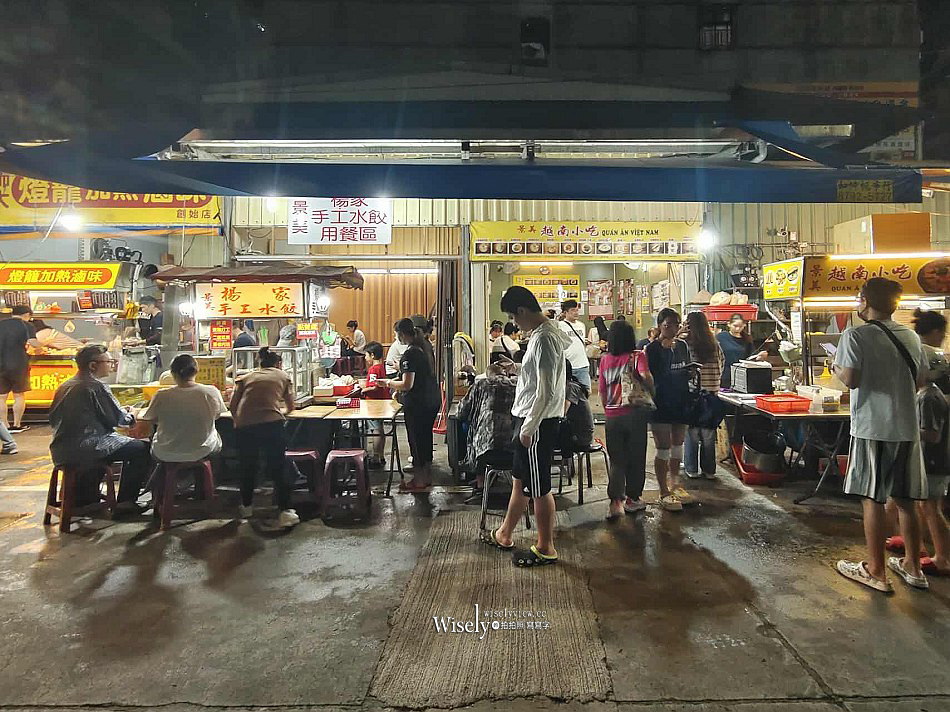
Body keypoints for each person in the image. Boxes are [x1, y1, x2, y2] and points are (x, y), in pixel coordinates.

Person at [833, 277, 930, 593]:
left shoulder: (855, 335)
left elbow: (850, 380)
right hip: (906, 428)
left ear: (864, 301)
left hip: (873, 427)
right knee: (906, 500)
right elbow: (921, 379)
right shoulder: (912, 337)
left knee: (872, 499)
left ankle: (876, 571)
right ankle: (913, 567)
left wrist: (835, 367)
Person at [481, 286, 568, 568]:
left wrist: (529, 428)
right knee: (520, 480)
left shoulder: (544, 339)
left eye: (513, 316)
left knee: (539, 487)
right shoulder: (543, 335)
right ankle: (505, 533)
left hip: (537, 423)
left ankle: (545, 547)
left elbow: (546, 392)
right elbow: (538, 378)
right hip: (531, 419)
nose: (513, 323)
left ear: (521, 311)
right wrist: (517, 369)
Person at [884, 309, 950, 576]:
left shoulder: (930, 397)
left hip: (934, 458)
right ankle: (915, 544)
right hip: (923, 455)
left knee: (929, 506)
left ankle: (943, 558)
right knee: (905, 500)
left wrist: (905, 429)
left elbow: (932, 434)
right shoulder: (925, 392)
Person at [48, 345, 150, 515]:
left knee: (125, 447)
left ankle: (85, 498)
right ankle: (126, 502)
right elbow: (117, 419)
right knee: (142, 449)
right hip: (89, 446)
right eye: (108, 361)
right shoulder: (95, 386)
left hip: (61, 449)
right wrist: (131, 414)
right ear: (93, 366)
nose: (111, 365)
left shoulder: (65, 385)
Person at [229, 346, 298, 527]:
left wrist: (238, 421)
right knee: (278, 466)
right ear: (278, 363)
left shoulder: (246, 377)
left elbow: (232, 405)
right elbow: (291, 406)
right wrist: (279, 411)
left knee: (247, 466)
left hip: (245, 426)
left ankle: (246, 506)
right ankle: (285, 511)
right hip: (271, 424)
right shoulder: (283, 376)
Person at [599, 320, 653, 519]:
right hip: (634, 413)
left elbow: (603, 390)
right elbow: (646, 377)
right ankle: (632, 499)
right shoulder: (637, 356)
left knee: (617, 460)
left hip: (612, 415)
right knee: (636, 457)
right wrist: (650, 388)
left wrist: (608, 410)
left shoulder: (605, 360)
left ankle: (615, 503)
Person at [380, 318, 441, 491]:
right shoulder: (425, 346)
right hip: (432, 399)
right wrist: (402, 368)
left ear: (401, 334)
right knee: (425, 438)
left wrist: (388, 383)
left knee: (416, 440)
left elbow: (407, 385)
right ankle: (426, 477)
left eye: (396, 333)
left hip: (418, 403)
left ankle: (419, 481)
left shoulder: (410, 353)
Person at [646, 308, 695, 511]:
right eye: (667, 325)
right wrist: (666, 350)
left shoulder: (683, 346)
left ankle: (675, 484)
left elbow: (684, 369)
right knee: (663, 447)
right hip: (661, 403)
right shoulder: (652, 349)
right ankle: (663, 490)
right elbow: (654, 376)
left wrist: (691, 372)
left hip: (681, 400)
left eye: (676, 324)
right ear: (659, 326)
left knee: (678, 445)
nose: (672, 329)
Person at [139, 353, 226, 465]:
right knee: (216, 435)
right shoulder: (211, 391)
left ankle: (164, 480)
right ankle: (210, 479)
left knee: (154, 437)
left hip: (165, 453)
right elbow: (217, 415)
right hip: (202, 451)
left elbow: (150, 418)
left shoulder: (162, 395)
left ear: (172, 374)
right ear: (196, 371)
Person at [457, 358, 518, 502]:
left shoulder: (481, 384)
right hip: (514, 449)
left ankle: (481, 485)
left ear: (487, 375)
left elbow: (461, 412)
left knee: (477, 438)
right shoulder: (517, 385)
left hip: (485, 452)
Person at [683, 311, 724, 480]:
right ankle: (709, 471)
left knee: (692, 433)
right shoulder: (714, 344)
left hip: (693, 395)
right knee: (708, 435)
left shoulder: (685, 344)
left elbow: (684, 369)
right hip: (712, 395)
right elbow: (722, 365)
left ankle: (692, 469)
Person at [0, 306, 42, 433]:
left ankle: (5, 425)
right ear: (27, 314)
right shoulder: (26, 325)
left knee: (2, 397)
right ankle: (17, 425)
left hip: (0, 363)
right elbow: (33, 343)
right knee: (18, 395)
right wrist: (42, 346)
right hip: (18, 363)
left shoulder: (1, 324)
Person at [360, 341, 391, 468]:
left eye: (366, 355)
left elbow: (374, 387)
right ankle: (381, 455)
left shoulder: (373, 369)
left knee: (375, 430)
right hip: (382, 402)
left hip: (374, 403)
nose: (365, 358)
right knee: (380, 429)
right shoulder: (381, 367)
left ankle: (376, 457)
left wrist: (363, 389)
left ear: (372, 355)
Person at [717, 314, 767, 388]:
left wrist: (760, 357)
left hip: (741, 376)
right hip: (724, 375)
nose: (738, 329)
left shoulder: (747, 339)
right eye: (735, 326)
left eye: (740, 326)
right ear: (729, 324)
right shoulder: (721, 337)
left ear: (744, 325)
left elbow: (751, 358)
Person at [558, 299, 591, 390]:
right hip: (567, 366)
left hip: (582, 364)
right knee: (568, 395)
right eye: (573, 310)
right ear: (565, 312)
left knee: (586, 392)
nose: (576, 313)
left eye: (577, 310)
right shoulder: (559, 326)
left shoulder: (581, 325)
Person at [563, 363, 594, 453]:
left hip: (581, 437)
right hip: (578, 432)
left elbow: (563, 412)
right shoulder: (571, 385)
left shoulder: (571, 387)